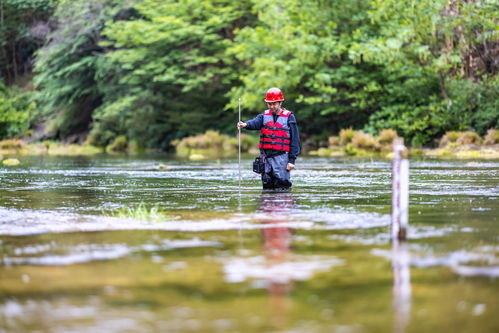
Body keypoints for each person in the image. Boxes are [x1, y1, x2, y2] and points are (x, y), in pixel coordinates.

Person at [237, 87, 300, 190]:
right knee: (267, 188)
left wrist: (292, 160)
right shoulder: (263, 116)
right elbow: (255, 123)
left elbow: (295, 140)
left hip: (282, 158)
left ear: (280, 103)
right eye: (269, 103)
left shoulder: (289, 117)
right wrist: (245, 124)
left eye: (274, 104)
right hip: (266, 158)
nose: (271, 106)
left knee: (282, 187)